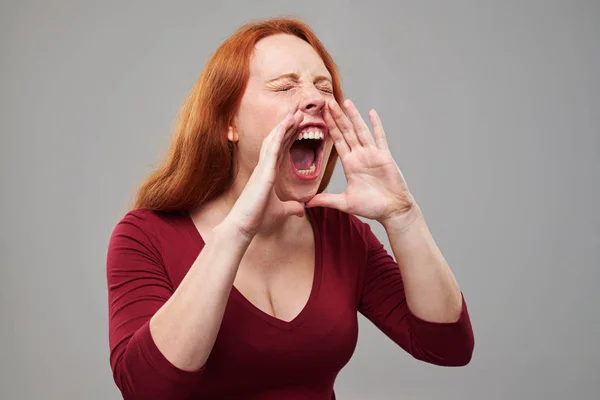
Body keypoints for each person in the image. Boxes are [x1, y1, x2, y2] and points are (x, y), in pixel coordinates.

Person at [105, 17, 474, 400]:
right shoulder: (145, 236)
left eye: (323, 87)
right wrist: (235, 233)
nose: (315, 98)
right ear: (228, 122)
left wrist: (403, 215)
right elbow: (146, 389)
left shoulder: (340, 233)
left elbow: (448, 346)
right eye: (285, 86)